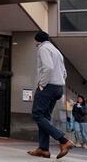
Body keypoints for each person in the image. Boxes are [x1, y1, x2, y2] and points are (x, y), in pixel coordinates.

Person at [28, 31, 74, 159]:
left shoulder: (43, 48)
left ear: (37, 40)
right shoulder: (56, 50)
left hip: (48, 87)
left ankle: (63, 141)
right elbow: (64, 72)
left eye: (35, 40)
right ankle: (43, 149)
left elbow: (48, 67)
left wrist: (42, 84)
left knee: (37, 115)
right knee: (44, 118)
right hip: (58, 87)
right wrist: (59, 82)